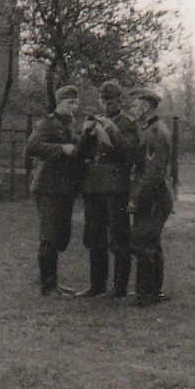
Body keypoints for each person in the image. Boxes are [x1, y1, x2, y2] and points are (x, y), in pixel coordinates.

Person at [75, 80, 140, 299]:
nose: (105, 106)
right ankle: (97, 285)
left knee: (118, 237)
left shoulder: (128, 123)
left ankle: (119, 287)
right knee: (94, 237)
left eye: (110, 102)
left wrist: (112, 131)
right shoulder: (94, 120)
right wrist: (86, 134)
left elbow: (128, 153)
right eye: (102, 101)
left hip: (115, 186)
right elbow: (81, 154)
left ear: (119, 101)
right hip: (93, 186)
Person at [25, 85, 80, 297]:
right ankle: (48, 286)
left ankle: (52, 281)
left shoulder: (70, 124)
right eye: (70, 102)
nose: (74, 106)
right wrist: (60, 149)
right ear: (60, 103)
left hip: (64, 189)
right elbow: (31, 147)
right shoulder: (48, 123)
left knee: (60, 237)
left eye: (76, 102)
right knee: (49, 236)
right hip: (48, 187)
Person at [127, 88, 174, 307]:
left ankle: (145, 294)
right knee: (151, 242)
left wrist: (136, 199)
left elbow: (153, 172)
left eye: (135, 106)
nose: (132, 110)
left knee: (144, 241)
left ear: (145, 108)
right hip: (154, 195)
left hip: (153, 197)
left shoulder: (155, 132)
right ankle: (152, 291)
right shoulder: (152, 128)